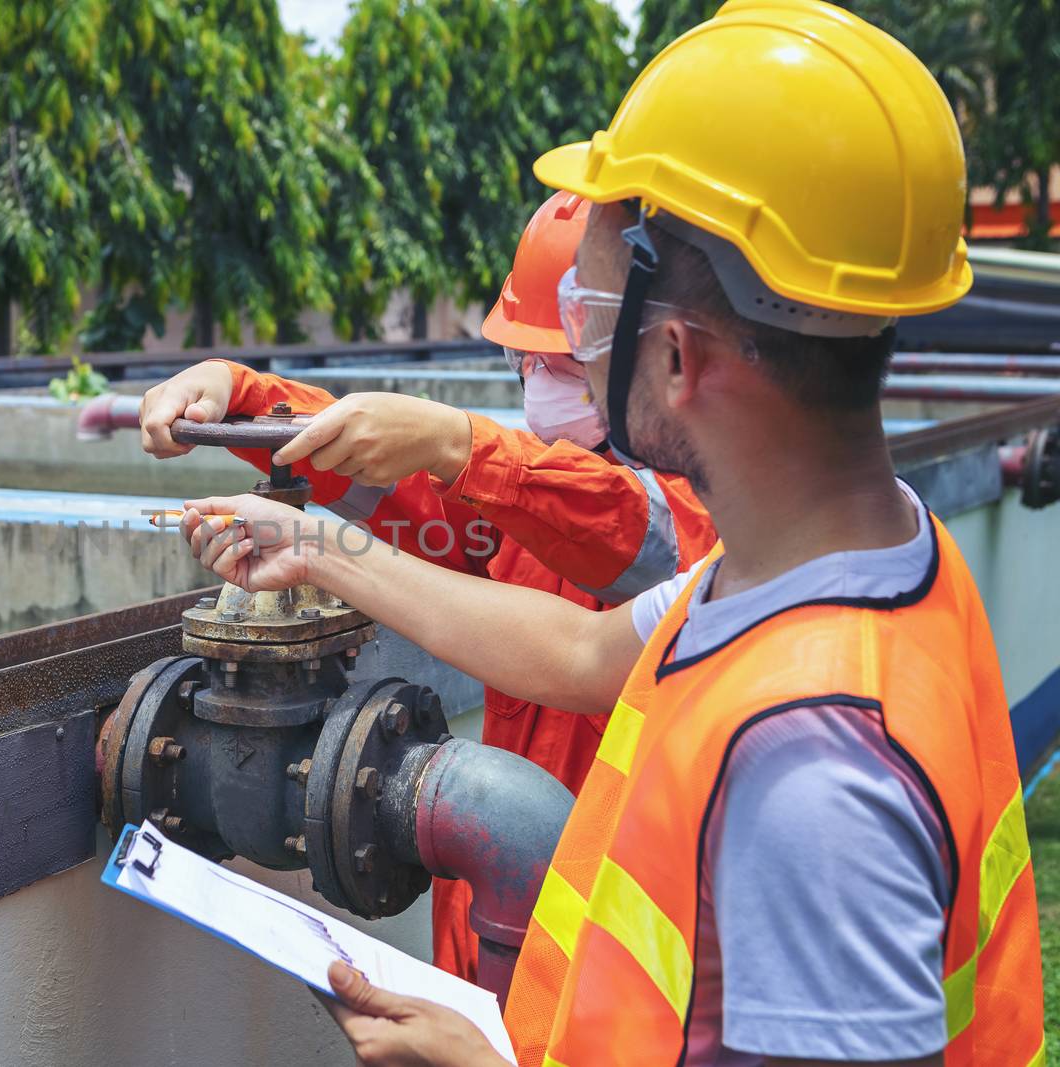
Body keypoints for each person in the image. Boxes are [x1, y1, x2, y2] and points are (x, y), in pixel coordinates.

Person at [173, 1, 1044, 1063]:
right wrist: (317, 550)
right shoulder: (839, 559)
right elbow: (577, 651)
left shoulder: (813, 776)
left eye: (583, 315)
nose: (568, 355)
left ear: (676, 357)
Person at [140, 191, 715, 983]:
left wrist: (458, 442)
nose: (534, 382)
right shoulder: (521, 505)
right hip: (505, 925)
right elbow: (400, 489)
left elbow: (619, 533)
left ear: (664, 352)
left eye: (558, 361)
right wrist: (240, 395)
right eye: (524, 361)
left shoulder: (703, 520)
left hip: (626, 953)